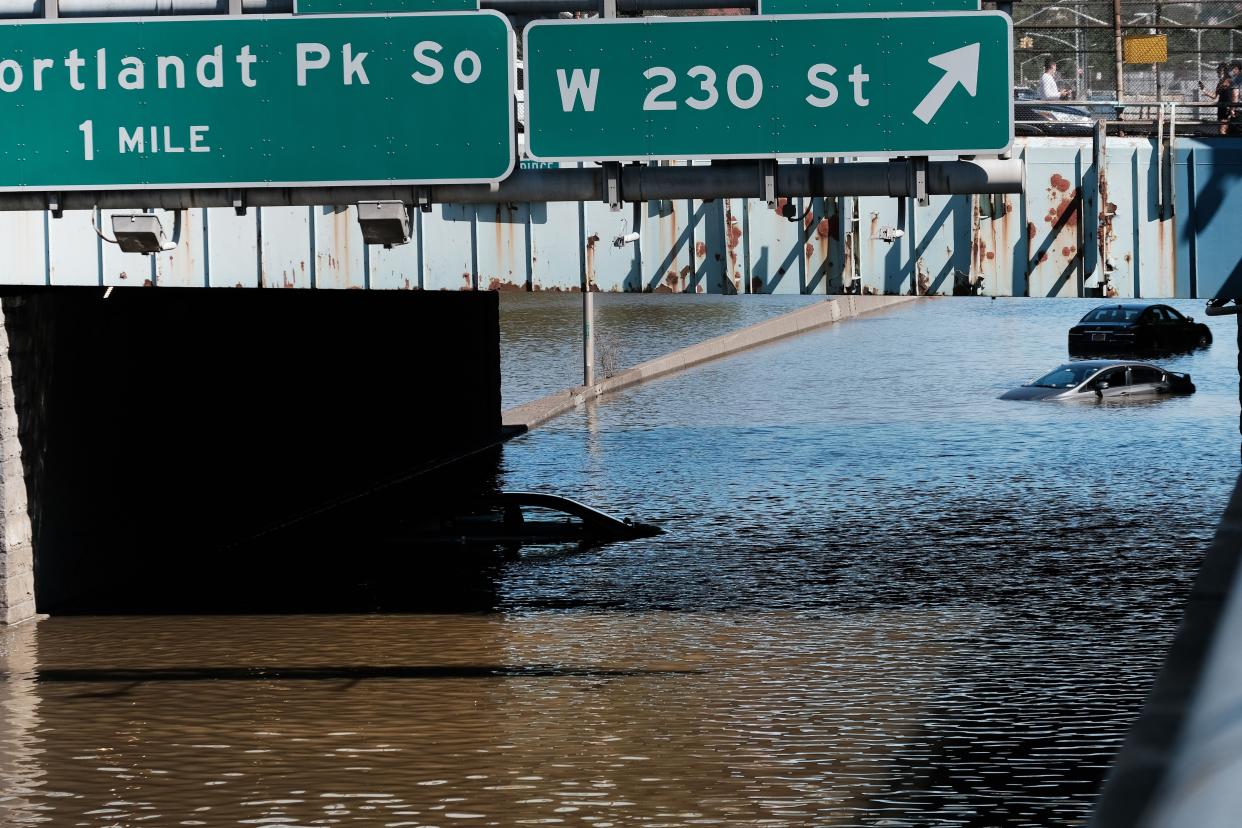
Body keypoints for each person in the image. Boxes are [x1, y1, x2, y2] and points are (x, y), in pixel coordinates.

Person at [1199, 63, 1233, 135]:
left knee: (1223, 130)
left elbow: (1233, 94)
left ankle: (1225, 144)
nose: (1218, 73)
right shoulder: (1220, 83)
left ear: (1223, 71)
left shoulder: (1229, 81)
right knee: (1221, 129)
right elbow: (1214, 96)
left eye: (1219, 71)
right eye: (1218, 71)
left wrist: (1231, 107)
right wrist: (1204, 89)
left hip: (1227, 107)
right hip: (1221, 108)